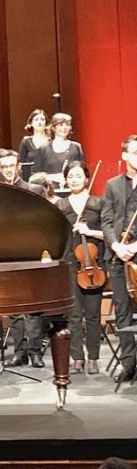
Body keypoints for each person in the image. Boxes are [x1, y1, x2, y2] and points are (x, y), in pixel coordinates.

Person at [0, 152, 47, 368]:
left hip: (32, 253)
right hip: (7, 255)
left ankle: (35, 351)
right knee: (14, 307)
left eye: (11, 165)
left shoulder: (34, 190)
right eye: (4, 166)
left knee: (33, 306)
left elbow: (44, 221)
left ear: (18, 167)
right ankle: (20, 352)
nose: (8, 169)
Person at [56, 161, 105, 375]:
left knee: (93, 314)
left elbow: (107, 233)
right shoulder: (60, 205)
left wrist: (89, 231)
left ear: (86, 178)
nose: (74, 179)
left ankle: (93, 357)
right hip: (69, 264)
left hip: (93, 265)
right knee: (74, 315)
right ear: (66, 179)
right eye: (71, 176)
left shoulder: (98, 203)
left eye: (78, 175)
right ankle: (77, 357)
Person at [100, 135, 137, 383]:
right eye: (134, 152)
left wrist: (134, 246)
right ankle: (129, 364)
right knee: (122, 311)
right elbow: (107, 220)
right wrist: (115, 244)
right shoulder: (113, 185)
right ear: (124, 156)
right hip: (117, 255)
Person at [32, 112, 84, 187]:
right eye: (61, 125)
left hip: (71, 190)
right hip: (50, 192)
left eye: (67, 124)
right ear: (53, 128)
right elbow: (34, 176)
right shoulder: (43, 148)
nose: (64, 128)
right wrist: (52, 177)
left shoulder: (76, 147)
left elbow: (83, 171)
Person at [18, 108, 51, 182]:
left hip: (49, 179)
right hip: (30, 180)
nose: (39, 122)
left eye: (42, 119)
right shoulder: (25, 142)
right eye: (36, 119)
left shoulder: (52, 142)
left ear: (46, 123)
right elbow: (21, 164)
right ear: (31, 123)